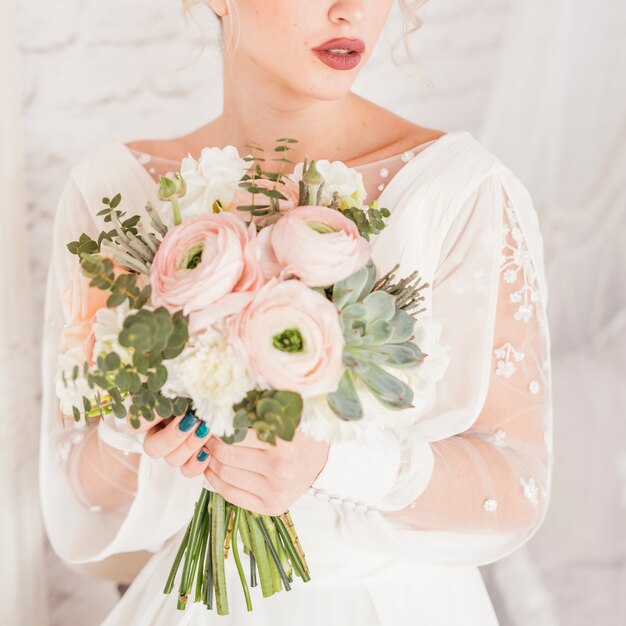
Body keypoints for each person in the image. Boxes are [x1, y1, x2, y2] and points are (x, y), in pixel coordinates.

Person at [39, 1, 554, 624]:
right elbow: (79, 482)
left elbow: (518, 484)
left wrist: (335, 463)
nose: (353, 11)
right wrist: (137, 428)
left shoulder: (457, 192)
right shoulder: (113, 194)